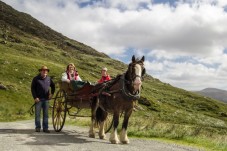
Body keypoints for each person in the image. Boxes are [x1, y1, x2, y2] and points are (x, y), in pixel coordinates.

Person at [31, 66, 55, 133]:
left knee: (46, 115)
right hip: (38, 100)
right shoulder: (36, 79)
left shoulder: (49, 79)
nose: (45, 71)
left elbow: (53, 86)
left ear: (47, 72)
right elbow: (32, 89)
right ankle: (38, 127)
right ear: (40, 71)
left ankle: (45, 128)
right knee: (37, 114)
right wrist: (35, 97)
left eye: (46, 70)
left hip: (46, 99)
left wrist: (52, 94)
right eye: (43, 70)